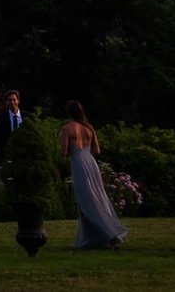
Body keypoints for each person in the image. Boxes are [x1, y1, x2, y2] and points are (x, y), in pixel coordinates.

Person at [59, 100, 129, 250]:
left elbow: (64, 152)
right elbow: (97, 151)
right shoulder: (89, 128)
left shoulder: (67, 128)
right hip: (91, 164)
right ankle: (93, 238)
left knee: (86, 201)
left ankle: (111, 233)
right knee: (97, 197)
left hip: (79, 164)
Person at [0, 90, 25, 158]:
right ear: (6, 102)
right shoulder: (1, 118)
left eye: (14, 100)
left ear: (18, 101)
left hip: (25, 154)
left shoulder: (27, 117)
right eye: (9, 100)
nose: (12, 102)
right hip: (8, 154)